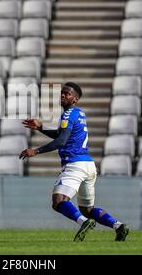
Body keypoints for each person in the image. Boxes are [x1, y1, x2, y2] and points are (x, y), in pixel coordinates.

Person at [19, 82, 129, 242]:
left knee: (58, 201)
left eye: (67, 94)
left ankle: (84, 223)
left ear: (75, 99)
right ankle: (118, 226)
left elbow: (61, 141)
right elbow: (61, 135)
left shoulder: (68, 114)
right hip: (89, 166)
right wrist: (41, 127)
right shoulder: (78, 113)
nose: (63, 95)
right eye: (62, 93)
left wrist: (35, 151)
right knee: (87, 209)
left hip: (75, 164)